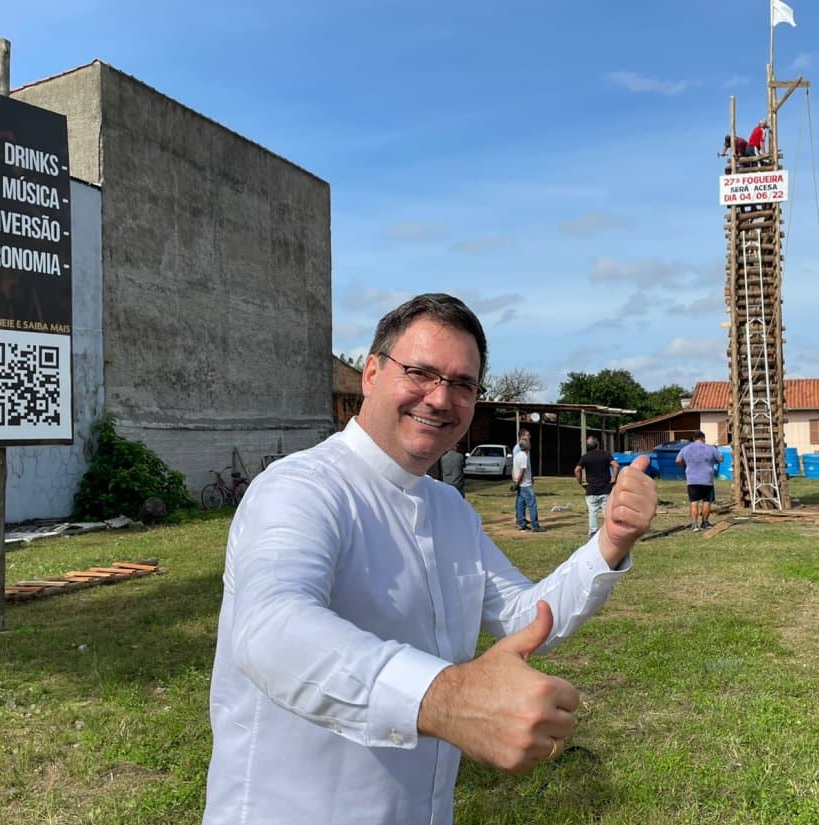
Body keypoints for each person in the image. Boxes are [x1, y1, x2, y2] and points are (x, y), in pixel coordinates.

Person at [202, 293, 658, 825]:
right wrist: (446, 699)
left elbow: (523, 615)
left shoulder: (448, 509)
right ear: (371, 373)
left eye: (463, 384)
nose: (441, 399)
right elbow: (271, 630)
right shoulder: (301, 488)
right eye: (420, 372)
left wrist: (612, 540)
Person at [675, 432, 724, 531]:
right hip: (707, 480)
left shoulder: (686, 448)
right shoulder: (711, 448)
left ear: (694, 438)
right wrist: (719, 455)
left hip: (692, 480)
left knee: (694, 502)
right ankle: (705, 522)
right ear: (703, 438)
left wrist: (685, 466)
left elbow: (678, 461)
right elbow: (720, 459)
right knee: (707, 501)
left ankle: (694, 524)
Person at [575, 436, 619, 538]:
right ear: (598, 444)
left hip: (591, 489)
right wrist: (614, 478)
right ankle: (609, 531)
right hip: (605, 488)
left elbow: (577, 470)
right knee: (606, 511)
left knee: (592, 512)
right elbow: (616, 465)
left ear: (588, 447)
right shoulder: (606, 454)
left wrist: (581, 482)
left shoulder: (585, 457)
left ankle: (593, 532)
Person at [512, 436, 545, 532]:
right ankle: (535, 525)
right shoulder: (524, 456)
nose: (530, 445)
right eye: (529, 443)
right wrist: (519, 481)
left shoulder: (517, 456)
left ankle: (521, 524)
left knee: (520, 505)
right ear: (526, 446)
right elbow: (522, 471)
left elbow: (513, 470)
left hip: (520, 484)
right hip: (526, 484)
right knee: (532, 505)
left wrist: (515, 480)